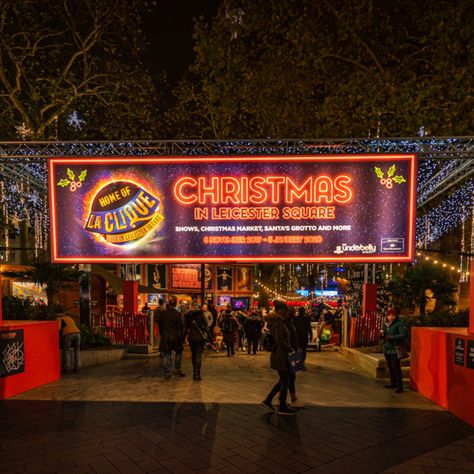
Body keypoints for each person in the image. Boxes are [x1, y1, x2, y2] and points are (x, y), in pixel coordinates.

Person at [262, 302, 296, 416]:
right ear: (280, 310)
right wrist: (290, 348)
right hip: (280, 355)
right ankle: (281, 406)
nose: (287, 312)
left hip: (281, 354)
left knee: (283, 379)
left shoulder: (279, 322)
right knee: (285, 380)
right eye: (285, 310)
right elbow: (280, 341)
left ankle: (268, 400)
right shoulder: (277, 323)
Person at [156, 295, 185, 380]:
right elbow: (180, 327)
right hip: (175, 336)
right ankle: (177, 368)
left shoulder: (163, 314)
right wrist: (182, 337)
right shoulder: (177, 314)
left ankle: (167, 371)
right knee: (179, 352)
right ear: (175, 304)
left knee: (167, 354)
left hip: (166, 336)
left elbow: (160, 325)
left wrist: (163, 333)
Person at [381, 308, 408, 393]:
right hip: (387, 348)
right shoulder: (385, 323)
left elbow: (403, 334)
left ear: (395, 316)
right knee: (390, 366)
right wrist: (382, 335)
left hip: (395, 348)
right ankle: (392, 383)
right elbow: (384, 333)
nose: (391, 317)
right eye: (389, 315)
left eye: (392, 315)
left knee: (396, 367)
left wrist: (391, 337)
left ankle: (399, 386)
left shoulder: (399, 324)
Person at [183, 307, 212, 381]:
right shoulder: (201, 315)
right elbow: (206, 327)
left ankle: (194, 372)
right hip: (200, 337)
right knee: (198, 355)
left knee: (193, 355)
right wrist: (210, 338)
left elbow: (185, 329)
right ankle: (197, 373)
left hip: (192, 338)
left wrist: (182, 338)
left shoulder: (188, 316)